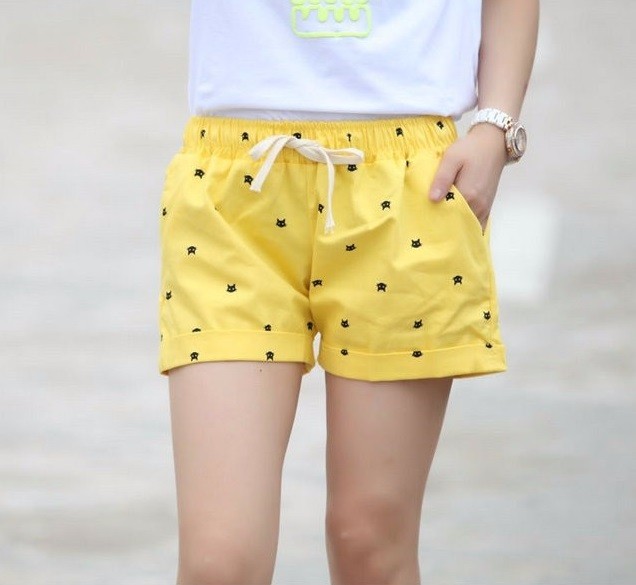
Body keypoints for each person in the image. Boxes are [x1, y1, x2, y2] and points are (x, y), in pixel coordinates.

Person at [157, 1, 539, 583]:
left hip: (410, 185)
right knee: (218, 562)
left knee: (370, 543)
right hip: (232, 189)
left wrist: (496, 126)